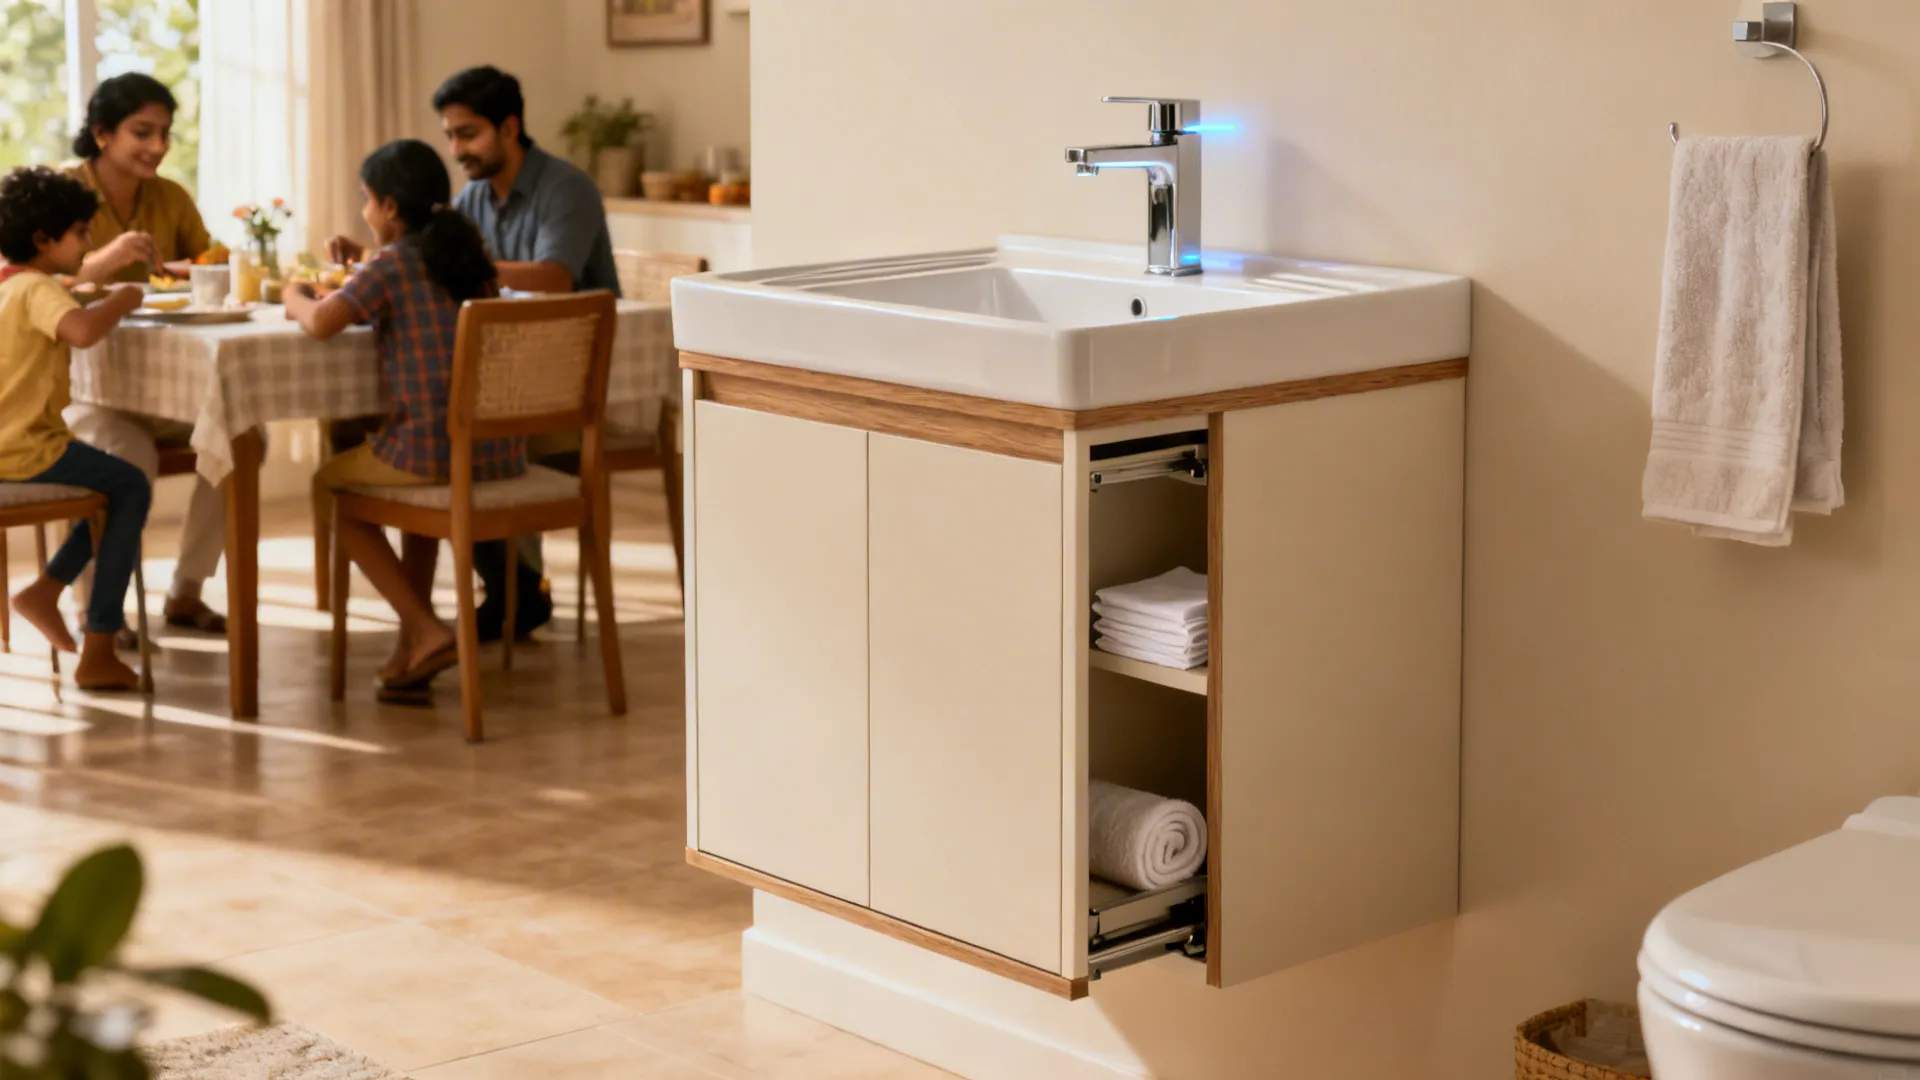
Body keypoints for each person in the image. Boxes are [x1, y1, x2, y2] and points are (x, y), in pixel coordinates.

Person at [327, 65, 617, 643]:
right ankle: (492, 595)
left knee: (447, 430)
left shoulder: (567, 189)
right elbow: (433, 270)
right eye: (450, 135)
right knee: (392, 423)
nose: (456, 148)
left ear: (510, 128)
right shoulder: (471, 200)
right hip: (494, 388)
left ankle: (507, 591)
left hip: (568, 391)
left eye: (468, 134)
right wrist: (383, 255)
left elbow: (556, 278)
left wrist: (433, 262)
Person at [287, 139, 522, 700]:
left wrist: (294, 296)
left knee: (328, 486)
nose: (366, 213)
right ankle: (411, 650)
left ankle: (423, 628)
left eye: (367, 202)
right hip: (497, 452)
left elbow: (322, 322)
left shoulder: (392, 263)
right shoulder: (465, 255)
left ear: (390, 208)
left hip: (431, 449)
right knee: (414, 498)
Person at [61, 72, 232, 639]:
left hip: (162, 383)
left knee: (242, 438)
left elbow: (207, 263)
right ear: (102, 133)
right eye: (142, 132)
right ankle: (96, 608)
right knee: (129, 457)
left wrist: (195, 267)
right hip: (84, 390)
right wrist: (106, 259)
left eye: (165, 133)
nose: (157, 147)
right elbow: (21, 284)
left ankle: (187, 591)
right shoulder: (62, 193)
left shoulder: (170, 196)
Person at [0, 167, 152, 691]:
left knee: (111, 489)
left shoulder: (10, 284)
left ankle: (46, 590)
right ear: (44, 239)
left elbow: (63, 296)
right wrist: (123, 299)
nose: (90, 244)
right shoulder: (37, 290)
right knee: (131, 484)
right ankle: (100, 645)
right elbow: (83, 332)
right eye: (82, 232)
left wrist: (87, 287)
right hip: (24, 450)